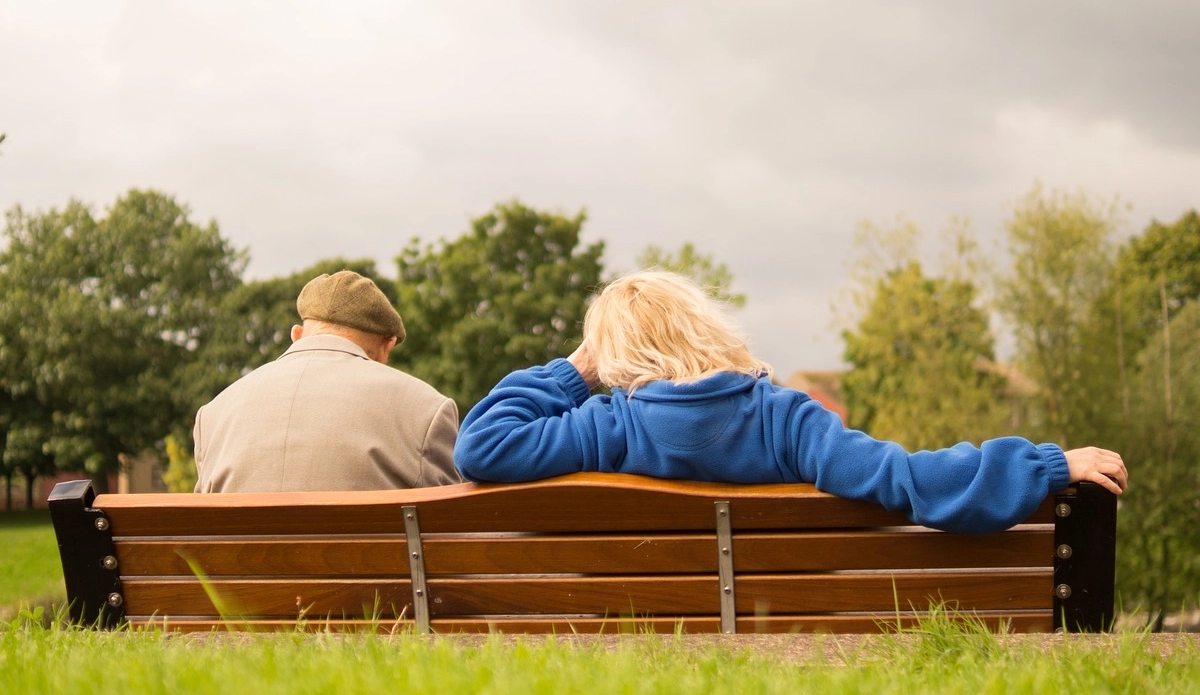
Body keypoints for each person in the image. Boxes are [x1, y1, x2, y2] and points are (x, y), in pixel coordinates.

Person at [453, 269, 1127, 534]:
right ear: (706, 327)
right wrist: (1044, 465)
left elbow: (481, 445)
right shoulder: (786, 419)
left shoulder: (602, 426)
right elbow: (906, 479)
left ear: (615, 358)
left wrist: (576, 371)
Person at [194, 270, 460, 492]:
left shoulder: (213, 415)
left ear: (296, 334)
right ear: (387, 345)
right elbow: (448, 532)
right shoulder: (427, 409)